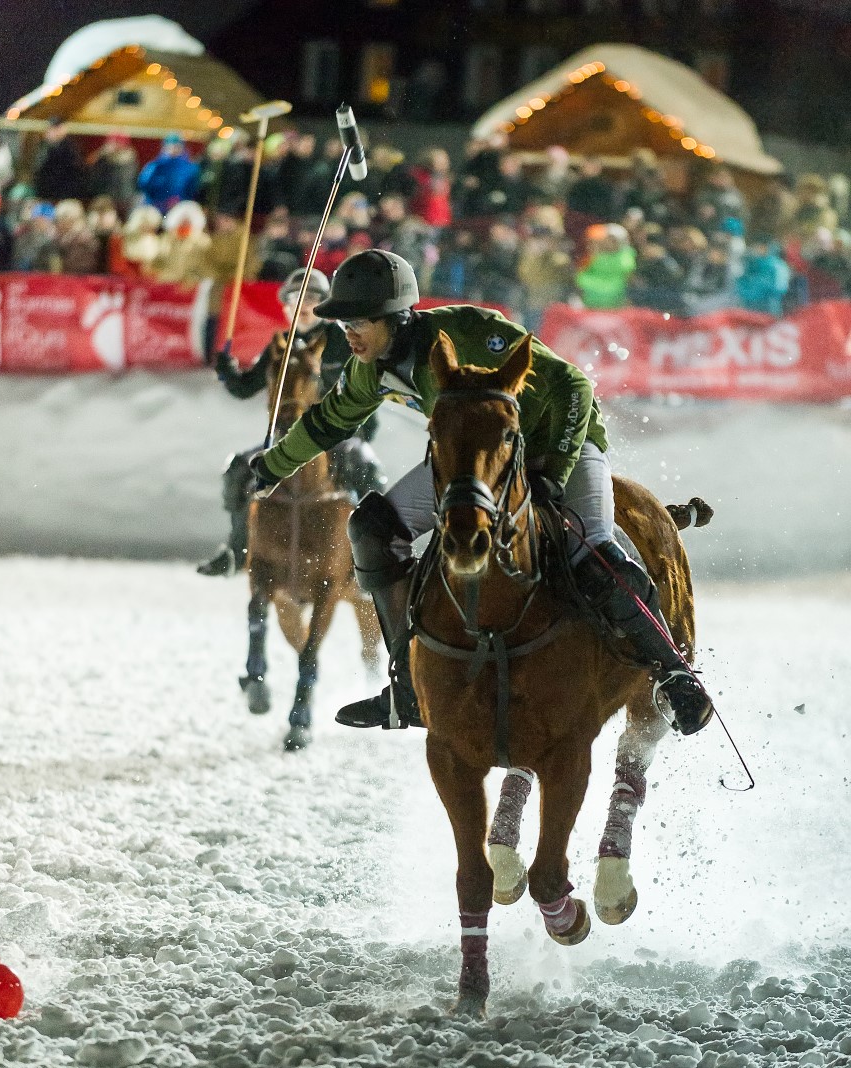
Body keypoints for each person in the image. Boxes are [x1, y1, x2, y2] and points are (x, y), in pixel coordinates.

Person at [246, 250, 714, 737]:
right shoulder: (370, 368)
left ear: (396, 317)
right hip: (478, 461)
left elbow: (573, 386)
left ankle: (675, 675)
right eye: (344, 323)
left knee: (592, 547)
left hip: (560, 442)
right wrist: (273, 466)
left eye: (358, 322)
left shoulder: (471, 334)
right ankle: (408, 687)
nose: (348, 334)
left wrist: (555, 469)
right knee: (372, 527)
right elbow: (327, 422)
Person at [196, 267, 387, 578]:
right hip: (286, 439)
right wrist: (228, 373)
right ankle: (237, 549)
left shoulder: (345, 341)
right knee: (238, 470)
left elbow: (366, 388)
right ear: (285, 307)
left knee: (369, 471)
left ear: (324, 306)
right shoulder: (279, 345)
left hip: (337, 436)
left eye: (311, 299)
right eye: (296, 299)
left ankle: (371, 554)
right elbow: (247, 388)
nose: (303, 306)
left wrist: (358, 427)